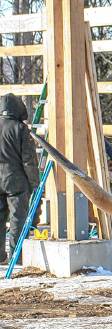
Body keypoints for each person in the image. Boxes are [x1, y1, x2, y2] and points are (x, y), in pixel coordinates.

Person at [0, 93, 38, 264]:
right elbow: (29, 160)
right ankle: (17, 256)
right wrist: (34, 183)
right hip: (15, 179)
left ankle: (0, 256)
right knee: (18, 218)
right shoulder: (20, 129)